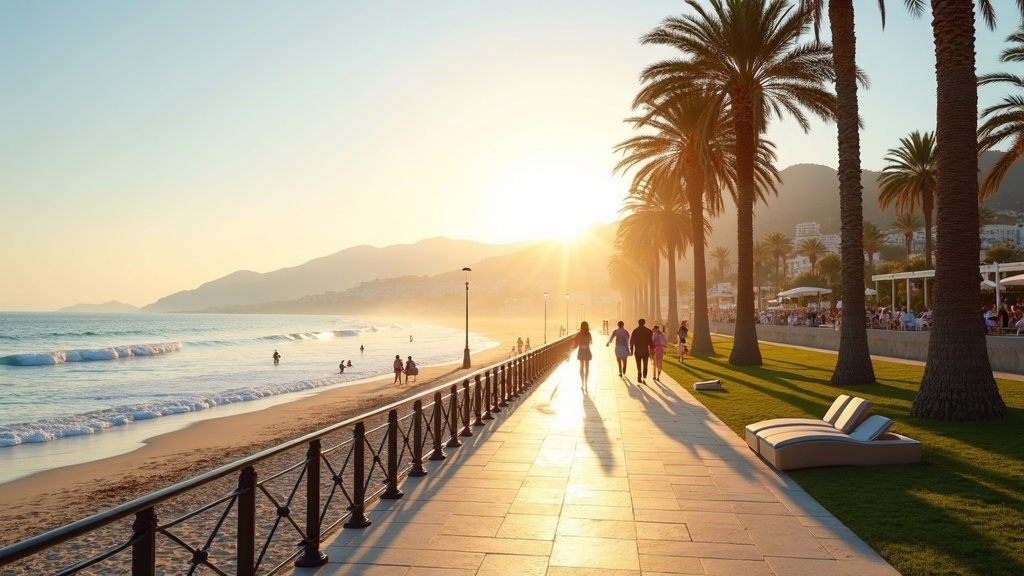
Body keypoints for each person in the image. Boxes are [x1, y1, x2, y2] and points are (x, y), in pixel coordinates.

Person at [629, 319, 653, 383]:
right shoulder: (649, 331)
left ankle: (639, 376)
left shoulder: (635, 331)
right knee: (645, 364)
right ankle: (644, 375)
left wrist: (631, 350)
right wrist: (651, 350)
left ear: (638, 323)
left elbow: (632, 342)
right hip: (645, 350)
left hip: (638, 350)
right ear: (644, 323)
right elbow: (651, 342)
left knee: (638, 364)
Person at [572, 321, 593, 387]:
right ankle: (586, 382)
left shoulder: (579, 334)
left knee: (581, 368)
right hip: (587, 351)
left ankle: (582, 382)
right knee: (587, 368)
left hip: (581, 351)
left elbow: (575, 344)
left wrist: (569, 351)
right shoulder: (588, 334)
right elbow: (591, 341)